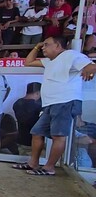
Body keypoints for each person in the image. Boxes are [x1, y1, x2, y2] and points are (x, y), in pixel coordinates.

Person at [14, 37, 96, 175]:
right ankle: (33, 163)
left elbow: (90, 66)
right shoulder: (49, 62)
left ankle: (49, 168)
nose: (43, 48)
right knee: (37, 132)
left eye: (46, 45)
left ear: (57, 45)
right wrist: (36, 47)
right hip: (50, 104)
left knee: (58, 136)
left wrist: (90, 69)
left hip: (65, 101)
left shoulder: (71, 55)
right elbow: (28, 62)